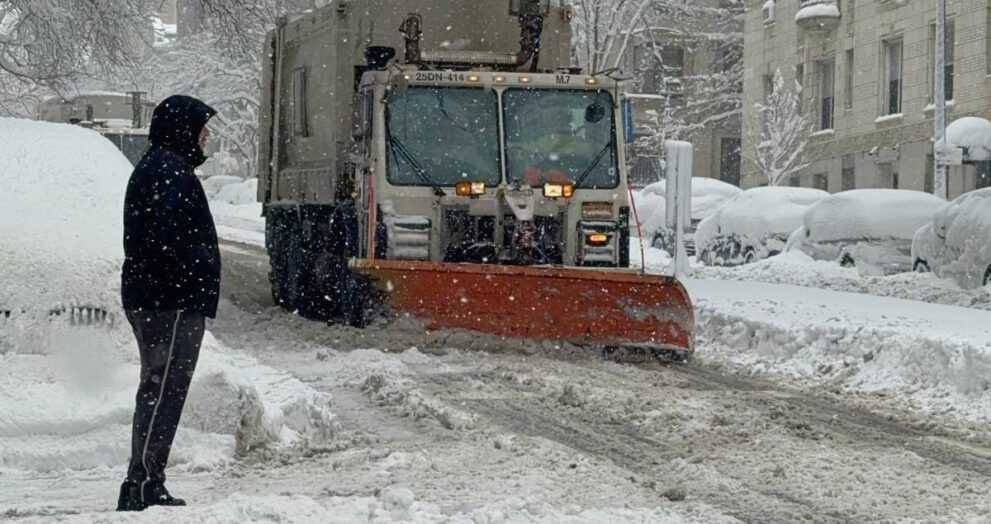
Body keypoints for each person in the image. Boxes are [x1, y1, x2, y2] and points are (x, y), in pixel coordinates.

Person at [117, 95, 220, 512]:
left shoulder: (164, 167)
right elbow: (169, 241)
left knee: (158, 390)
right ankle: (144, 484)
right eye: (201, 127)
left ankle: (140, 482)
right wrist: (194, 279)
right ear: (182, 129)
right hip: (169, 301)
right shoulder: (168, 172)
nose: (206, 135)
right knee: (163, 392)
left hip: (163, 297)